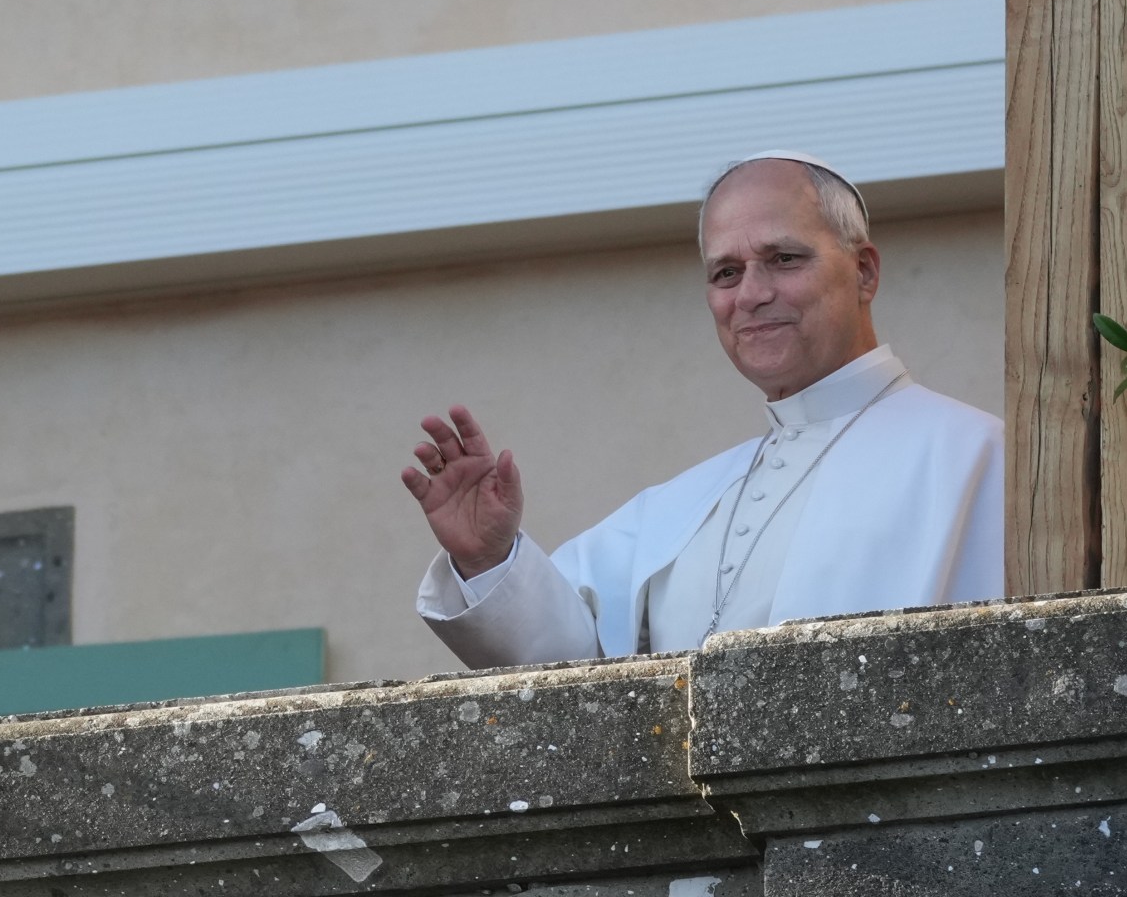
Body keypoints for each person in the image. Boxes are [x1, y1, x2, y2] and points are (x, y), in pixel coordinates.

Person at [404, 152, 1003, 667]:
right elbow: (575, 679)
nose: (752, 294)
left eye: (784, 259)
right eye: (726, 272)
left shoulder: (980, 457)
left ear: (864, 271)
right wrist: (487, 558)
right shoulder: (679, 505)